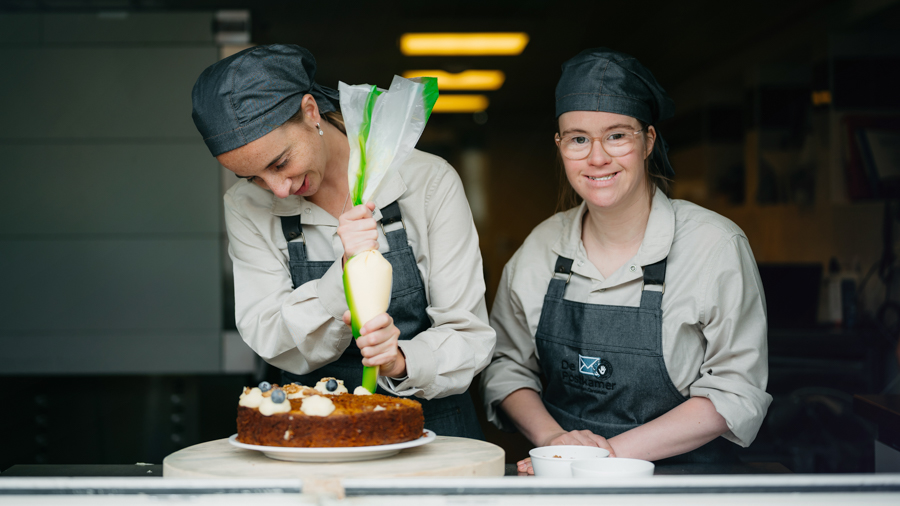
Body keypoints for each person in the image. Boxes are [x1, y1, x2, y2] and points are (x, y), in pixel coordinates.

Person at [480, 48, 772, 471]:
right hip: (564, 481)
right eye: (578, 138)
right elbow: (506, 366)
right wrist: (556, 443)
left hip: (685, 485)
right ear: (560, 145)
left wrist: (604, 456)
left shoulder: (714, 245)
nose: (597, 158)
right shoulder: (541, 248)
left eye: (617, 135)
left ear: (649, 140)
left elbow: (735, 389)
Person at [191, 44, 493, 439]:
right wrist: (342, 278)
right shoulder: (246, 206)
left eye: (280, 163)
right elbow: (268, 333)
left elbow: (469, 333)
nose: (278, 190)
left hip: (432, 424)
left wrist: (400, 360)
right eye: (254, 178)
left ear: (310, 111)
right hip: (313, 428)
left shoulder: (427, 182)